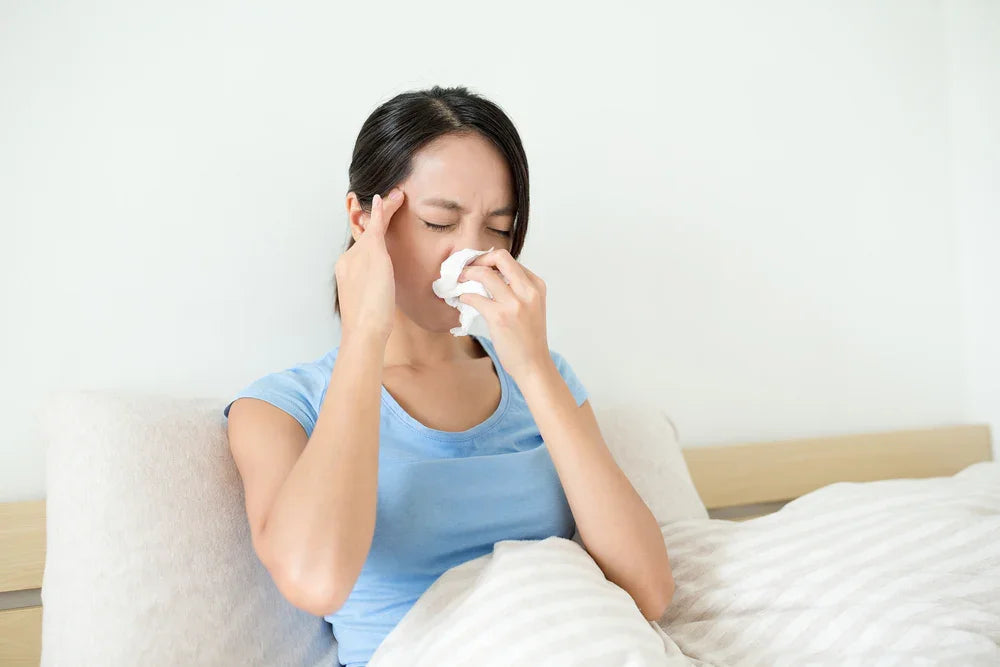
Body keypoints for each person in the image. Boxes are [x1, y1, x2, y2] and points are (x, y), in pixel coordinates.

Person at [223, 85, 674, 667]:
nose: (471, 255)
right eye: (440, 222)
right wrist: (365, 336)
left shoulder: (544, 378)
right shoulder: (283, 408)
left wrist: (533, 369)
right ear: (365, 219)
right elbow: (316, 581)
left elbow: (649, 590)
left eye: (498, 228)